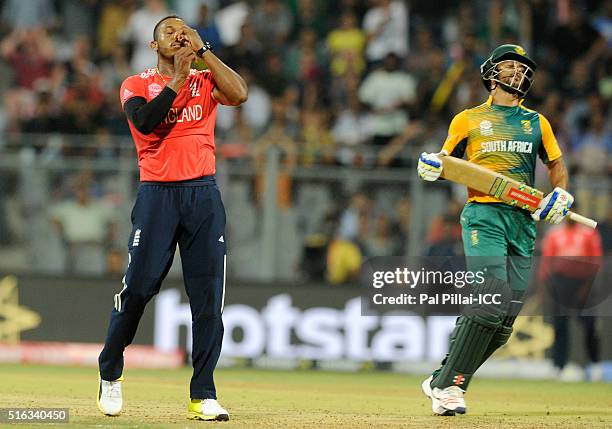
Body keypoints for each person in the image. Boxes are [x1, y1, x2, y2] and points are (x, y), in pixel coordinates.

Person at [96, 15, 247, 421]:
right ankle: (110, 371)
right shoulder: (136, 83)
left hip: (203, 195)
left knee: (208, 299)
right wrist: (179, 79)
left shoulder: (205, 76)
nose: (177, 35)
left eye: (184, 31)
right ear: (153, 45)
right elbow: (146, 122)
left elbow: (240, 94)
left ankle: (203, 393)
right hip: (157, 196)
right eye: (169, 32)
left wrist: (203, 52)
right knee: (139, 289)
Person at [417, 44, 573, 415]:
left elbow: (555, 164)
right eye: (510, 66)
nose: (519, 72)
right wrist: (431, 166)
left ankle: (442, 380)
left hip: (523, 221)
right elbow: (445, 161)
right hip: (484, 215)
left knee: (503, 324)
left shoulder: (537, 122)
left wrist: (561, 194)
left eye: (523, 68)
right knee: (489, 303)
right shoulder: (467, 119)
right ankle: (452, 388)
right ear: (490, 73)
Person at [539, 213, 603, 381]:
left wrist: (586, 287)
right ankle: (558, 366)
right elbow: (547, 262)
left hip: (583, 282)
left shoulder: (589, 234)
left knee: (589, 325)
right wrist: (547, 287)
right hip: (561, 283)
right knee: (560, 326)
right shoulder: (554, 233)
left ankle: (594, 364)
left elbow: (595, 262)